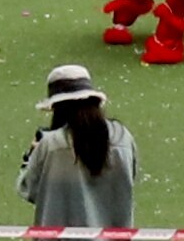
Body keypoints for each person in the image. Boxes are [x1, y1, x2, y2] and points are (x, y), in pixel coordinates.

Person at [18, 64, 138, 232]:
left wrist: (30, 157)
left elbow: (28, 189)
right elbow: (130, 177)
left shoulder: (51, 144)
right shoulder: (123, 137)